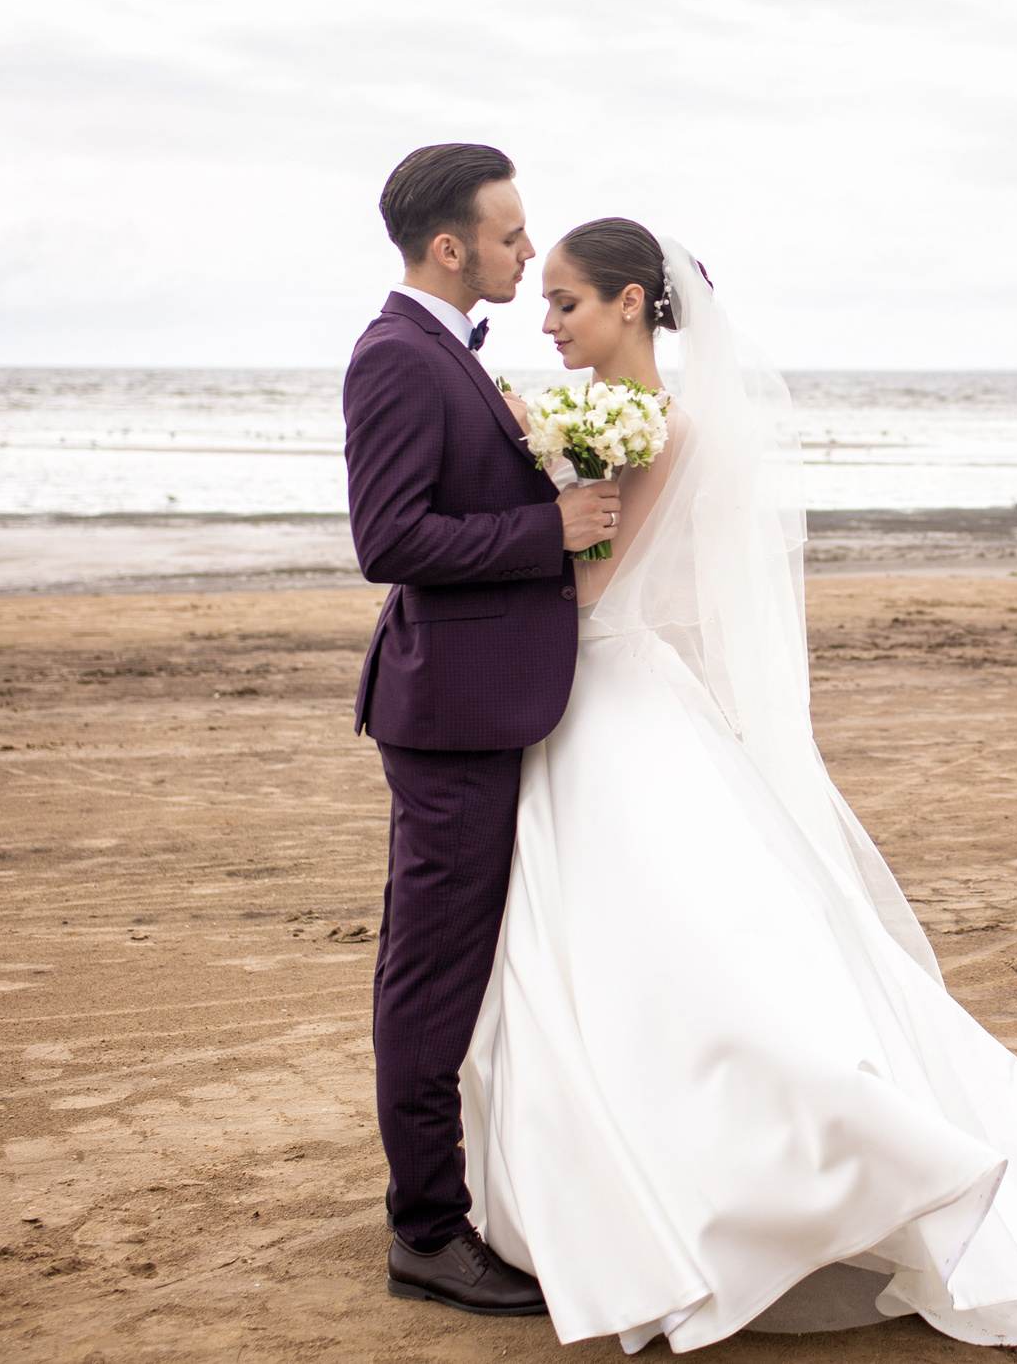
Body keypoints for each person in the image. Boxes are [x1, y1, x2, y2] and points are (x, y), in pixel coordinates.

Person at [457, 217, 1017, 1353]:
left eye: (564, 302)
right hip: (588, 697)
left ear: (627, 304)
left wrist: (529, 509)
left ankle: (800, 1162)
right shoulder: (598, 417)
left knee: (668, 942)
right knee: (600, 943)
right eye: (544, 302)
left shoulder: (650, 423)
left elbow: (594, 589)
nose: (545, 322)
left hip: (603, 688)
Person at [339, 143, 623, 1318]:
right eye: (510, 235)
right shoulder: (398, 359)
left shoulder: (455, 359)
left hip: (480, 702)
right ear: (450, 246)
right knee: (430, 975)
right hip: (451, 718)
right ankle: (426, 1231)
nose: (525, 250)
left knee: (450, 964)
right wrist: (544, 533)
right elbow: (388, 543)